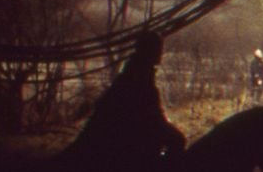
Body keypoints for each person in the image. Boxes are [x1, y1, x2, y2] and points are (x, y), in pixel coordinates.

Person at [64, 30, 186, 163]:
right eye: (157, 49)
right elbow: (151, 115)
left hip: (127, 132)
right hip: (128, 136)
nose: (160, 54)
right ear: (151, 51)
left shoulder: (133, 72)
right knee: (177, 141)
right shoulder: (139, 76)